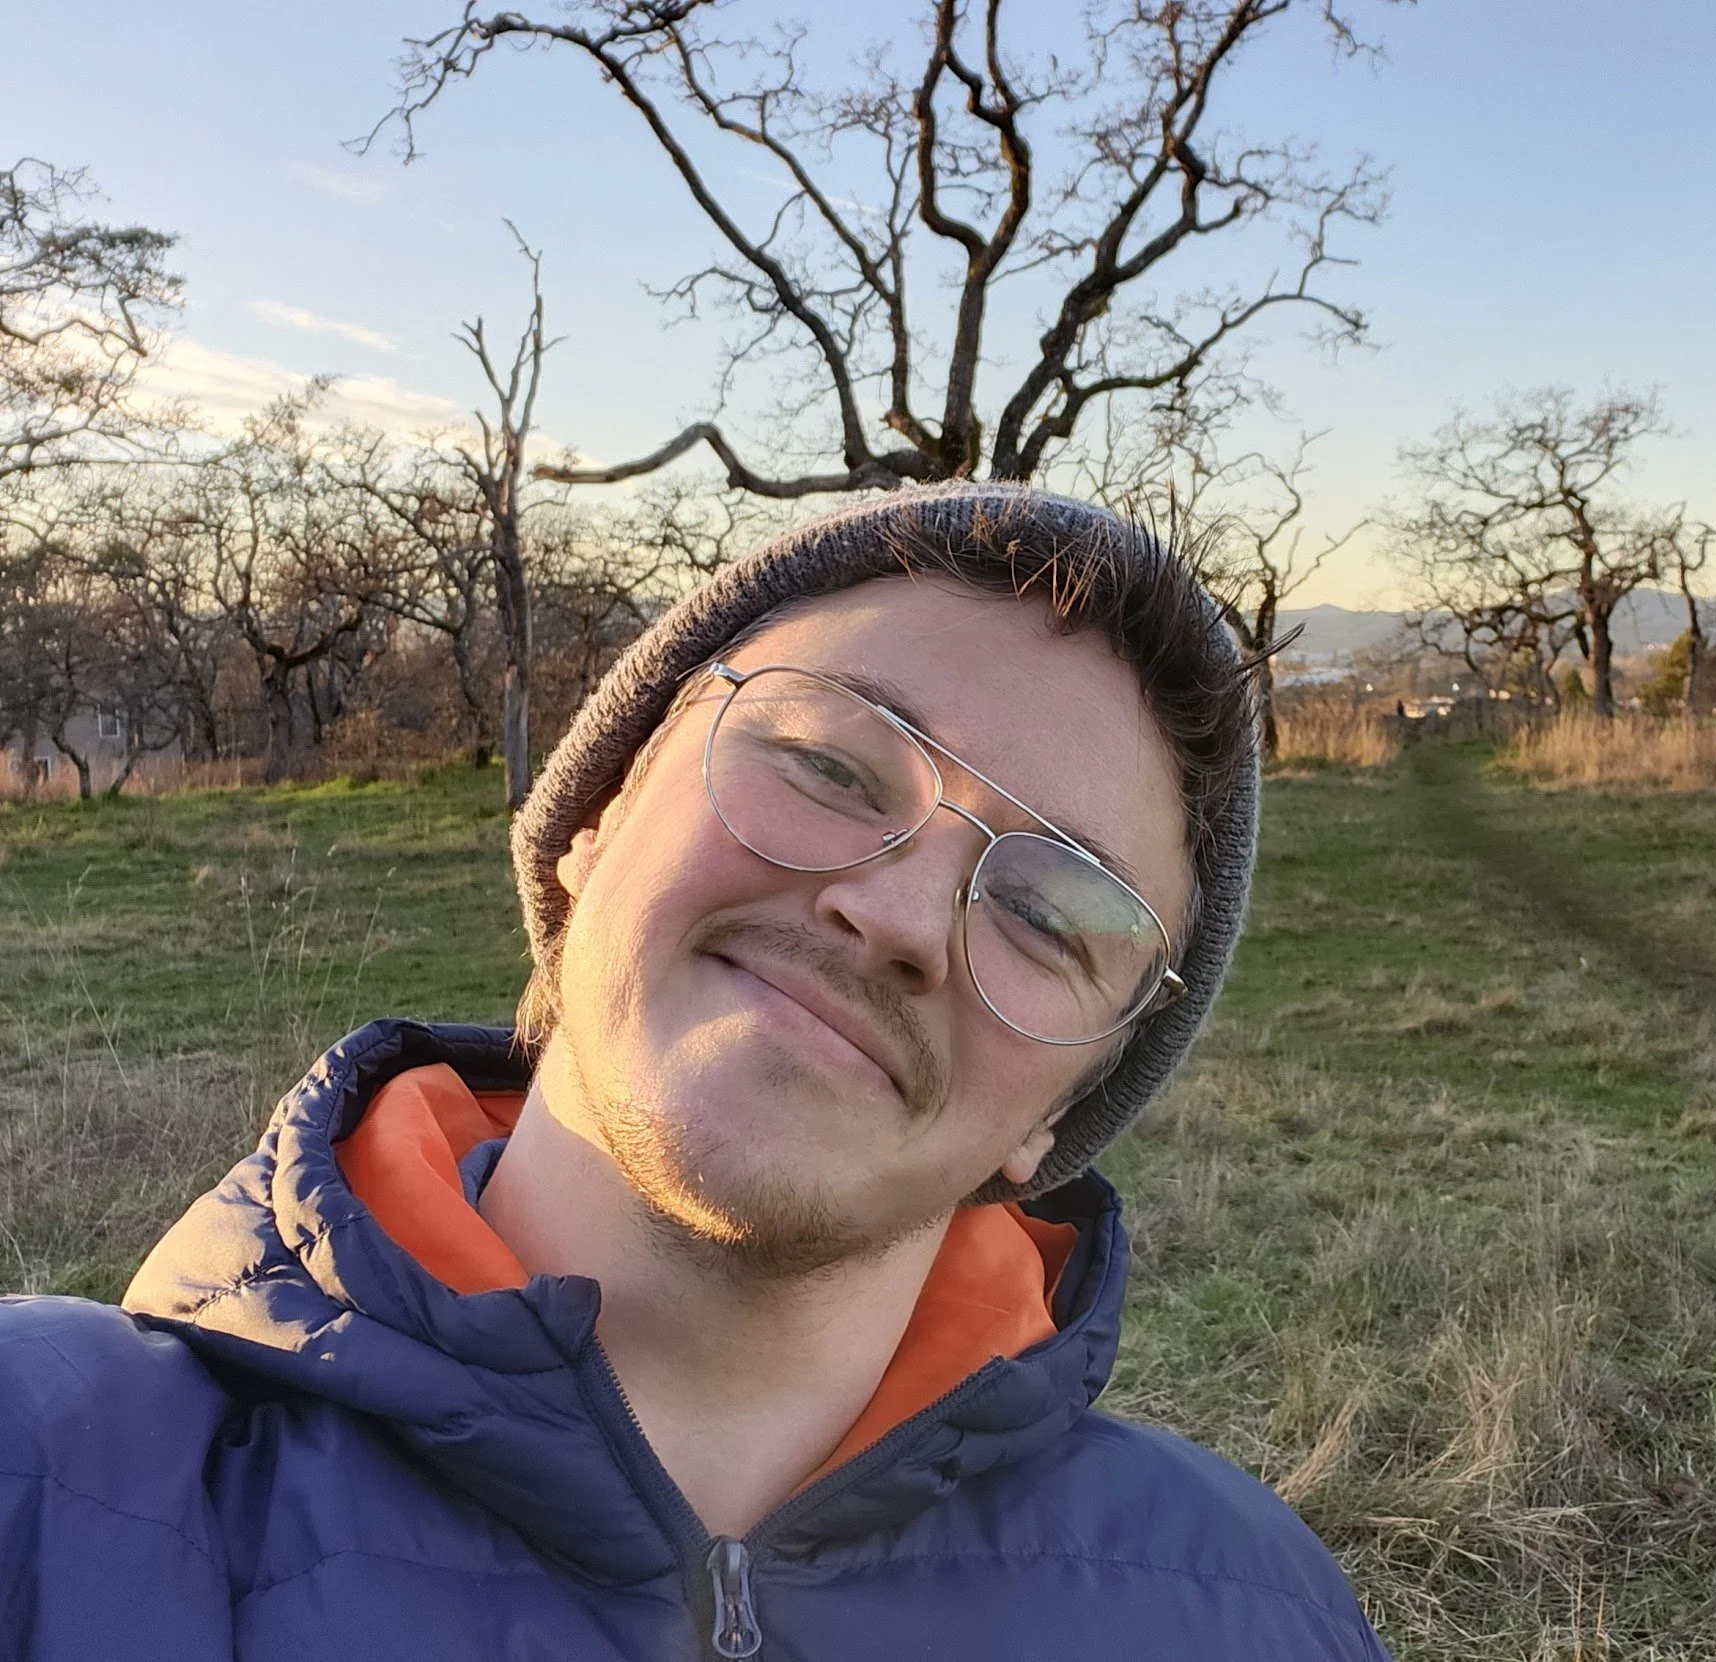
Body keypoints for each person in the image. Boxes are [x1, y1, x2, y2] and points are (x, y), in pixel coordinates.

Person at [0, 486, 1390, 1661]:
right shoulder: (45, 1482)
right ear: (593, 822)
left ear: (1060, 1112)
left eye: (1052, 914)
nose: (899, 916)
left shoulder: (1249, 1608)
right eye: (832, 764)